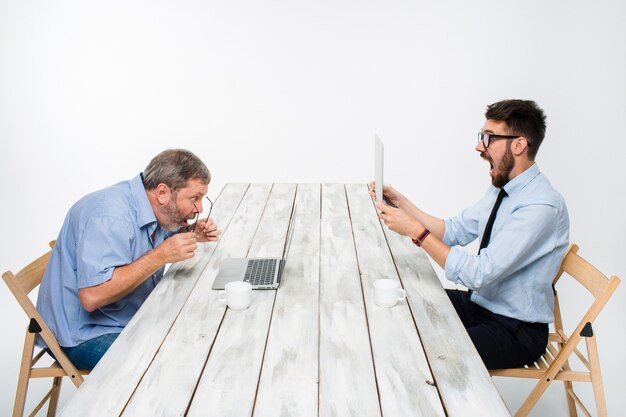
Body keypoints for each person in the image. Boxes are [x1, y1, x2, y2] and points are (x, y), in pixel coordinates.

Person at [371, 99, 569, 370]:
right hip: (480, 305)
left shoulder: (541, 207)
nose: (479, 146)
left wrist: (416, 232)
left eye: (489, 138)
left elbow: (479, 273)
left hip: (513, 330)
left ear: (519, 145)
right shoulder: (503, 188)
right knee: (405, 302)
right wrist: (402, 204)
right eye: (481, 137)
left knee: (423, 350)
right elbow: (453, 230)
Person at [37, 149, 221, 370]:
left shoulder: (148, 203)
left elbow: (144, 240)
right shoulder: (109, 217)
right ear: (163, 192)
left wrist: (190, 232)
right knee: (168, 366)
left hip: (123, 316)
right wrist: (162, 255)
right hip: (84, 333)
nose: (199, 208)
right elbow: (92, 295)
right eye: (195, 198)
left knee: (200, 337)